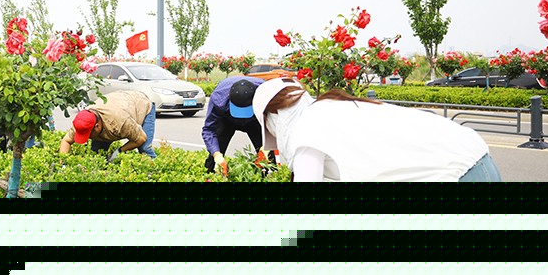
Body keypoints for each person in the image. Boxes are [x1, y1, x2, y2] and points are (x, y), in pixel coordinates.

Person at [250, 77, 503, 182]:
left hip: (458, 175)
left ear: (274, 117)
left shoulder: (306, 131)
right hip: (477, 161)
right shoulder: (328, 107)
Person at [59, 90, 156, 161]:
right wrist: (62, 164)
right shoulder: (82, 121)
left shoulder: (120, 122)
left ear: (97, 126)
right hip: (118, 102)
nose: (87, 138)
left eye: (88, 135)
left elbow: (141, 138)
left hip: (141, 105)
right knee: (97, 153)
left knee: (144, 149)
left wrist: (119, 151)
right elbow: (66, 141)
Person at [201, 76, 265, 175]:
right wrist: (217, 155)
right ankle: (211, 175)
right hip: (227, 119)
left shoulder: (266, 95)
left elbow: (275, 126)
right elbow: (209, 129)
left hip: (254, 120)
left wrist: (265, 149)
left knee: (268, 158)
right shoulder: (218, 98)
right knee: (214, 158)